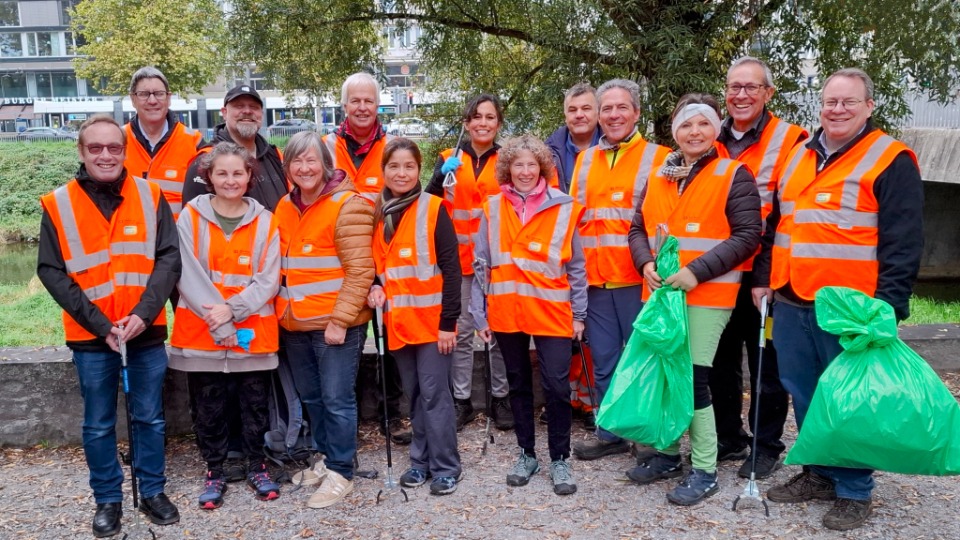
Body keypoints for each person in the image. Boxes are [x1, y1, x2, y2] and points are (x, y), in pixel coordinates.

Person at [752, 68, 924, 531]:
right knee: (804, 393)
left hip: (851, 307)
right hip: (791, 298)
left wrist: (888, 305)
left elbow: (904, 240)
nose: (837, 109)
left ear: (869, 106)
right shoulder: (801, 156)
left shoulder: (889, 159)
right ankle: (820, 473)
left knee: (849, 400)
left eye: (848, 102)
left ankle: (854, 489)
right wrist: (765, 278)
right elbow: (779, 225)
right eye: (830, 101)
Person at [37, 114, 182, 537]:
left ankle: (152, 491)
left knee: (150, 419)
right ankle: (108, 500)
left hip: (144, 331)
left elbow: (168, 259)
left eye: (113, 147)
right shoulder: (57, 203)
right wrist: (102, 325)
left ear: (124, 151)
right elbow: (51, 270)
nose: (105, 155)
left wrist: (142, 314)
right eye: (95, 148)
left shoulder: (150, 195)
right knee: (98, 423)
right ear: (82, 152)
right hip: (92, 337)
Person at [626, 93, 761, 505]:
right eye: (686, 125)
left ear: (716, 129)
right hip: (663, 295)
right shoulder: (660, 175)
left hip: (708, 295)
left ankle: (704, 468)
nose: (694, 132)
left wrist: (696, 271)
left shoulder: (733, 174)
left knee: (693, 378)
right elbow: (637, 229)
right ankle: (667, 453)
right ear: (675, 132)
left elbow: (747, 235)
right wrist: (645, 262)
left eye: (703, 123)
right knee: (667, 374)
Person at [709, 56, 808, 478]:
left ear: (768, 93)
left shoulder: (791, 140)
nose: (741, 95)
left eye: (751, 87)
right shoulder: (709, 136)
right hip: (715, 272)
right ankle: (728, 436)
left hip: (759, 277)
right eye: (734, 87)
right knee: (719, 361)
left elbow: (787, 215)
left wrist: (766, 275)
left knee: (766, 363)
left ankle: (764, 444)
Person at [471, 134, 588, 496]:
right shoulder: (492, 208)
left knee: (556, 386)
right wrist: (480, 315)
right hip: (506, 313)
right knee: (518, 385)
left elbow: (577, 267)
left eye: (531, 164)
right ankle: (526, 454)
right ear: (508, 168)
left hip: (553, 312)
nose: (524, 171)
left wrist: (579, 315)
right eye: (517, 164)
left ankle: (559, 458)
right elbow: (481, 266)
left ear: (542, 168)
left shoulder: (564, 206)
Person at [168, 142, 282, 509]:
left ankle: (256, 465)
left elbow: (269, 279)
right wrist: (220, 324)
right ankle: (215, 470)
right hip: (202, 335)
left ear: (249, 176)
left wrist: (231, 311)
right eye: (222, 173)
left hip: (251, 334)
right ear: (208, 177)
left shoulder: (266, 220)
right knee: (208, 406)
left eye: (238, 173)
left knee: (254, 405)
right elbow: (186, 272)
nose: (230, 180)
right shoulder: (189, 217)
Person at [568, 79, 671, 460]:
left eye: (621, 107)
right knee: (606, 360)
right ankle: (610, 431)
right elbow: (577, 222)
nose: (613, 115)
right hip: (595, 281)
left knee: (644, 360)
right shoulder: (584, 160)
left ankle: (649, 438)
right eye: (606, 109)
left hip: (638, 279)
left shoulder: (660, 157)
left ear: (637, 113)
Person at [274, 131, 376, 509]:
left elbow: (361, 270)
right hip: (296, 321)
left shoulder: (348, 205)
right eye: (297, 161)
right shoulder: (284, 206)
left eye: (311, 160)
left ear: (325, 164)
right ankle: (325, 458)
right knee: (313, 397)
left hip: (336, 322)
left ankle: (341, 472)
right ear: (288, 168)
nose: (304, 168)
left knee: (336, 400)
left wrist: (341, 320)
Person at [368, 138, 463, 495]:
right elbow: (381, 267)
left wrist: (448, 324)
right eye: (394, 166)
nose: (402, 173)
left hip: (433, 325)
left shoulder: (434, 208)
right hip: (399, 323)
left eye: (409, 166)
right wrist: (375, 287)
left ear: (418, 169)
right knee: (415, 395)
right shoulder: (381, 212)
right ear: (384, 171)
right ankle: (420, 462)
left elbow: (452, 270)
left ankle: (445, 467)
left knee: (435, 395)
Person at [324, 73, 409, 444]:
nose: (362, 108)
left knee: (388, 339)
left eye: (368, 101)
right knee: (349, 336)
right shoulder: (326, 146)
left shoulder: (392, 147)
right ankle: (352, 415)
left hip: (385, 253)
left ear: (379, 105)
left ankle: (392, 412)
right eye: (354, 101)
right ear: (344, 105)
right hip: (340, 260)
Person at [425, 93, 513, 432]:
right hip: (458, 262)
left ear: (498, 124)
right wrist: (439, 177)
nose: (483, 123)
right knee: (461, 333)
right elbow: (429, 203)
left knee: (498, 331)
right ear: (466, 123)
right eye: (476, 117)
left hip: (495, 260)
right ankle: (462, 400)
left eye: (490, 117)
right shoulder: (450, 157)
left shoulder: (507, 160)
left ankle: (500, 397)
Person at [183, 84, 287, 211]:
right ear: (224, 113)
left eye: (254, 107)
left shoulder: (275, 155)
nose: (247, 111)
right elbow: (195, 220)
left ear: (261, 114)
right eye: (239, 106)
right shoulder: (206, 160)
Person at [123, 66, 205, 220]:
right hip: (130, 239)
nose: (152, 100)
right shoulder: (116, 141)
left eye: (159, 94)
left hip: (179, 240)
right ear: (133, 99)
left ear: (168, 98)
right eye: (144, 94)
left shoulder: (195, 142)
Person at [546, 82, 602, 194]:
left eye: (586, 108)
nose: (579, 115)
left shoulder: (616, 147)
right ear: (565, 116)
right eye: (572, 110)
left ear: (598, 112)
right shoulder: (547, 154)